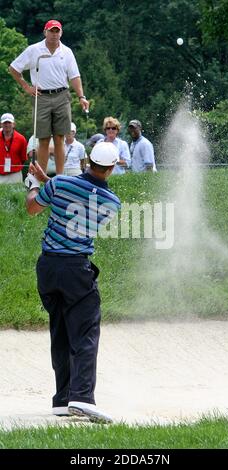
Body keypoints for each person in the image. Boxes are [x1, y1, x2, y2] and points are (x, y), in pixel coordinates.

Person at [24, 142, 120, 423]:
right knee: (86, 332)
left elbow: (33, 208)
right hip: (76, 270)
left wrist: (34, 185)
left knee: (61, 330)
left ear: (87, 160)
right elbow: (80, 201)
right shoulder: (112, 203)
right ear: (111, 168)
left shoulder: (61, 184)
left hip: (48, 269)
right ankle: (82, 398)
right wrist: (46, 181)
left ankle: (62, 398)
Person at [9, 19, 89, 175]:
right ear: (45, 32)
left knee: (60, 138)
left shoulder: (67, 52)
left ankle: (59, 178)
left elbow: (74, 76)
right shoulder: (34, 50)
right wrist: (26, 87)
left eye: (56, 31)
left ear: (61, 33)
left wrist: (81, 97)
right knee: (43, 139)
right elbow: (14, 68)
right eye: (51, 31)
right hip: (41, 97)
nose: (54, 34)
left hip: (62, 95)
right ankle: (41, 177)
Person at [0, 113, 27, 184]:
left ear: (13, 124)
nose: (7, 125)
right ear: (1, 124)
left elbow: (23, 158)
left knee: (16, 195)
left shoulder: (21, 139)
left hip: (15, 174)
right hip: (0, 174)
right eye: (5, 123)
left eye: (9, 122)